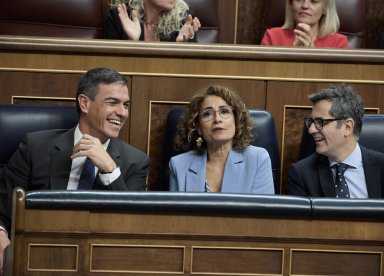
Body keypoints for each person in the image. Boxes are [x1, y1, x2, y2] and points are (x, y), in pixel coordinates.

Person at [0, 67, 149, 270]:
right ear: (85, 103)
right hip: (39, 256)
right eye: (112, 102)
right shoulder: (36, 147)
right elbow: (3, 207)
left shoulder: (136, 162)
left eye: (126, 105)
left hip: (101, 263)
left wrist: (110, 170)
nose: (122, 112)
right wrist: (0, 233)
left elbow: (134, 228)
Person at [288, 85, 384, 198]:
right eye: (311, 122)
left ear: (348, 127)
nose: (311, 130)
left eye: (320, 122)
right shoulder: (302, 173)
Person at [169, 85, 275, 194]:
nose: (217, 119)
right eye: (207, 114)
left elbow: (262, 210)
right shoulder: (179, 165)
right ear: (198, 127)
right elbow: (177, 211)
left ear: (236, 120)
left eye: (224, 111)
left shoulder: (257, 159)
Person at [261, 0, 348, 48]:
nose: (305, 6)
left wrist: (312, 55)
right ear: (291, 4)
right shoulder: (272, 37)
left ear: (325, 8)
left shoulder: (338, 43)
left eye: (313, 1)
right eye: (299, 0)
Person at [104, 0, 201, 42]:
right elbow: (109, 69)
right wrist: (132, 43)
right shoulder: (119, 16)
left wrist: (180, 46)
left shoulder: (184, 18)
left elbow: (195, 67)